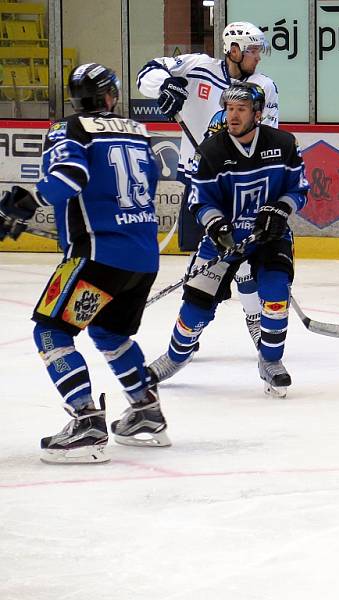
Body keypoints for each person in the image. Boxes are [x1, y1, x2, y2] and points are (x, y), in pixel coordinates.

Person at [0, 63, 168, 464]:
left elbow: (69, 176)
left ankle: (87, 422)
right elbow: (152, 180)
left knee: (51, 331)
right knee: (110, 334)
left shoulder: (69, 129)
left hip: (97, 258)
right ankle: (146, 412)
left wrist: (25, 204)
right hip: (142, 258)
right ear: (110, 96)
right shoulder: (137, 132)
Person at [146, 82, 308, 398]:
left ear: (258, 114)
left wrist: (279, 210)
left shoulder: (284, 144)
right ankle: (175, 357)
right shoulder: (210, 151)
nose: (233, 116)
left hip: (269, 237)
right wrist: (217, 226)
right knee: (196, 307)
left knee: (275, 295)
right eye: (230, 109)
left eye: (241, 109)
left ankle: (270, 361)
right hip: (224, 239)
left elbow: (298, 188)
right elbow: (198, 199)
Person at [137, 21, 279, 349]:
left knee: (243, 258)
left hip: (242, 186)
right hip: (199, 182)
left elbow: (268, 136)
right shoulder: (198, 67)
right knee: (207, 263)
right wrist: (165, 87)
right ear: (234, 50)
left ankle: (254, 321)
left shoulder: (264, 86)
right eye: (253, 51)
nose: (258, 57)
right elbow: (147, 73)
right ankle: (193, 326)